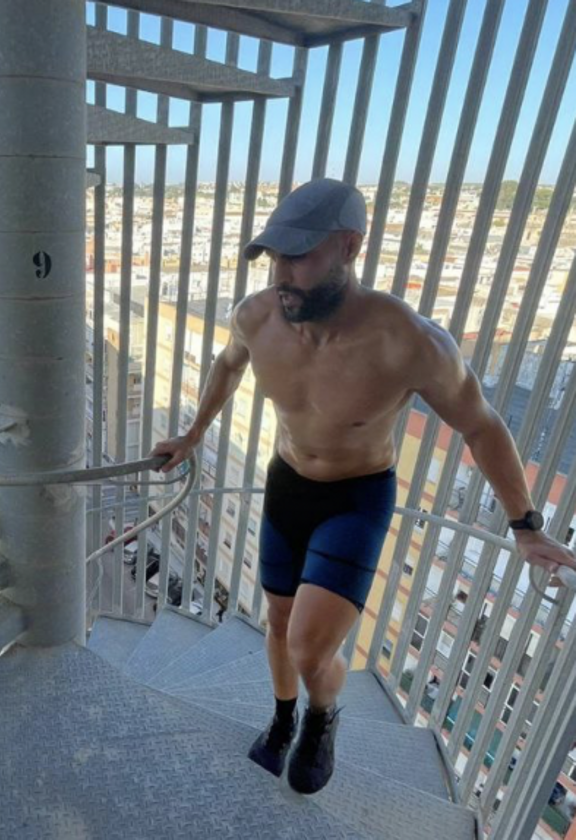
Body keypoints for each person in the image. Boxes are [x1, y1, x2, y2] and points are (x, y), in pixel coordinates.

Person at [148, 178, 576, 796]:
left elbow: (481, 425)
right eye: (274, 256)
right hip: (287, 483)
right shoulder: (257, 316)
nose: (281, 274)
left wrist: (527, 527)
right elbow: (227, 364)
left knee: (308, 647)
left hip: (356, 497)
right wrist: (191, 435)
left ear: (349, 247)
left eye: (298, 256)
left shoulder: (406, 341)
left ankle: (321, 719)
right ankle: (282, 716)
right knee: (277, 623)